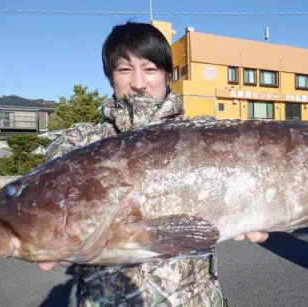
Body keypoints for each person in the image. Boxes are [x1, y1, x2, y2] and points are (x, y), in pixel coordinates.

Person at [38, 21, 268, 306]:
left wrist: (260, 208)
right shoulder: (78, 145)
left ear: (167, 75)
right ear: (110, 77)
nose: (138, 82)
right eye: (124, 69)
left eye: (150, 69)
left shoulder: (207, 137)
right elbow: (40, 207)